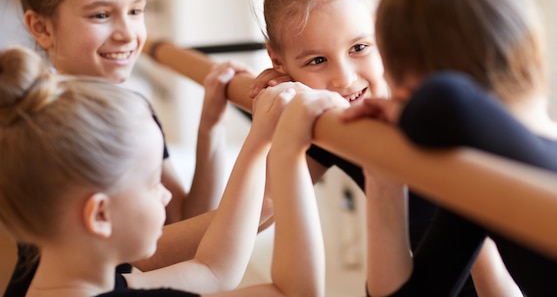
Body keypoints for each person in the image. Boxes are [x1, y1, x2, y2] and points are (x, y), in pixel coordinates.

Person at [341, 0, 557, 296]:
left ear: (406, 88)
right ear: (529, 42)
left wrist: (401, 112)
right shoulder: (482, 177)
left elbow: (446, 102)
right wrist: (382, 178)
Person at [248, 0, 521, 296]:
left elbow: (502, 269)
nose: (344, 78)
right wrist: (272, 119)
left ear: (384, 35)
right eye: (316, 60)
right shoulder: (336, 121)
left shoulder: (439, 114)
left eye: (359, 47)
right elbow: (260, 211)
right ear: (279, 62)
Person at [4, 0, 248, 296]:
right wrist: (267, 203)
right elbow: (154, 253)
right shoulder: (52, 120)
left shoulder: (133, 107)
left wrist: (210, 126)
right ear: (42, 28)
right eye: (101, 15)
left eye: (136, 11)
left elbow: (182, 217)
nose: (127, 33)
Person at [0, 45, 341, 297]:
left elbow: (212, 269)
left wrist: (257, 141)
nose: (164, 194)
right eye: (152, 184)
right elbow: (293, 292)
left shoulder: (65, 282)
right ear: (100, 213)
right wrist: (288, 150)